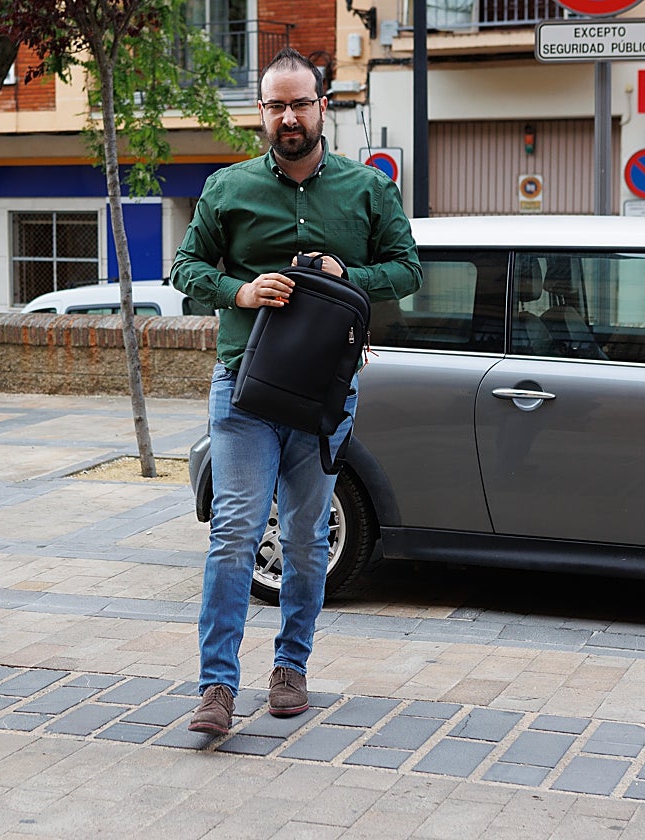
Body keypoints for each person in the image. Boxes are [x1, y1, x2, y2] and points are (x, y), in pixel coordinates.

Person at [172, 47, 423, 734]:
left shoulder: (366, 189)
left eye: (300, 103)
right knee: (233, 535)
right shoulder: (227, 189)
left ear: (322, 106)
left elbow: (407, 270)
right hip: (245, 389)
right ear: (262, 113)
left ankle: (290, 668)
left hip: (325, 395)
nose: (288, 116)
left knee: (309, 539)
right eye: (276, 105)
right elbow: (184, 266)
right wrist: (239, 289)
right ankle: (217, 688)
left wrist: (350, 276)